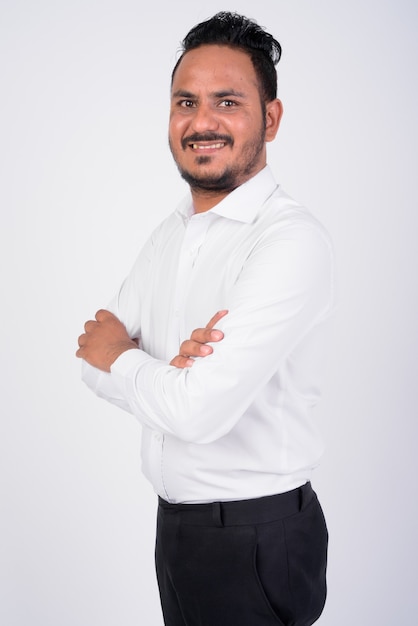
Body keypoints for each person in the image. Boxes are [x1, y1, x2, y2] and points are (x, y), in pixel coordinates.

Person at [76, 11, 335, 626]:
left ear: (269, 118)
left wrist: (129, 357)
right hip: (177, 531)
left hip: (255, 537)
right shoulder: (172, 232)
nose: (202, 122)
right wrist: (162, 372)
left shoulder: (289, 242)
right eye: (185, 102)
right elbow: (90, 357)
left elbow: (195, 409)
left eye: (227, 101)